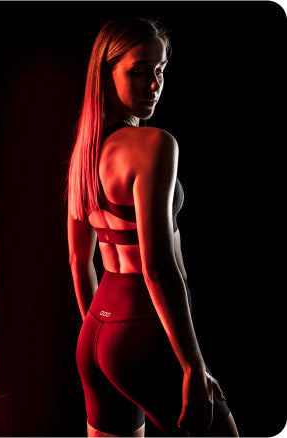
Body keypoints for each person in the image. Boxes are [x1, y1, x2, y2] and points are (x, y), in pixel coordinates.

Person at [67, 17, 239, 437]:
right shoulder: (155, 144)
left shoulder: (84, 154)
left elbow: (78, 259)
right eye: (138, 71)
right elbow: (159, 266)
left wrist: (102, 340)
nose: (153, 84)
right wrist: (191, 366)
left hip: (95, 336)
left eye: (159, 71)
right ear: (106, 73)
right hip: (143, 330)